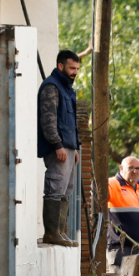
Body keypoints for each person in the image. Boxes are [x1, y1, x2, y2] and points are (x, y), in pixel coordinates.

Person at [37, 49, 80, 247]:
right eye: (72, 68)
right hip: (59, 149)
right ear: (60, 66)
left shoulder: (67, 89)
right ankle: (51, 233)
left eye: (77, 68)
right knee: (55, 189)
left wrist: (75, 147)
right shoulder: (51, 87)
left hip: (68, 148)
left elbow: (70, 122)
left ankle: (59, 232)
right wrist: (58, 145)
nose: (75, 72)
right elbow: (48, 120)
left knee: (66, 190)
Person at [107, 156, 139, 269]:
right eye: (131, 168)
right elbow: (95, 203)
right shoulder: (111, 184)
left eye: (138, 168)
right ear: (121, 168)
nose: (135, 171)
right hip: (120, 246)